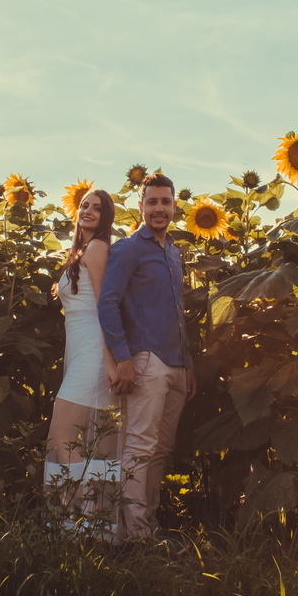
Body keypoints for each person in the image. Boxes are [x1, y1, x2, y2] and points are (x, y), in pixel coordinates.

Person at [97, 173, 197, 540]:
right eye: (152, 202)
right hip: (146, 361)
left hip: (176, 364)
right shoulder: (128, 249)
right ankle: (133, 533)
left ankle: (147, 525)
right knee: (140, 445)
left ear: (174, 206)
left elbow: (177, 311)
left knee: (161, 449)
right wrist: (123, 358)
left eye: (165, 202)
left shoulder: (173, 252)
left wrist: (188, 365)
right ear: (140, 206)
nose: (159, 208)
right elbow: (107, 303)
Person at [45, 189, 122, 531]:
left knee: (62, 436)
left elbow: (107, 305)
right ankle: (94, 527)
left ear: (106, 217)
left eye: (97, 208)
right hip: (81, 352)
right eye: (84, 205)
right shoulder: (80, 250)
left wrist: (109, 359)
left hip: (93, 352)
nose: (87, 210)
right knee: (88, 442)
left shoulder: (97, 248)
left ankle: (83, 521)